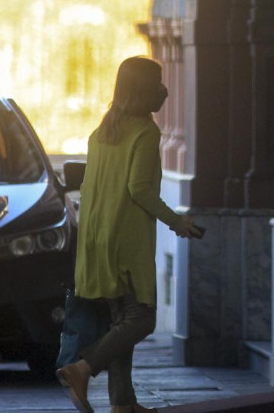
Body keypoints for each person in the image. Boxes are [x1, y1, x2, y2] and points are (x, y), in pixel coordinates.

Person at [56, 57, 201, 413]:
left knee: (120, 324)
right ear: (144, 90)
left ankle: (124, 404)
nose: (164, 91)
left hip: (97, 241)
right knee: (140, 319)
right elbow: (140, 190)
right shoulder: (145, 132)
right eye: (159, 83)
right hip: (125, 245)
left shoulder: (103, 130)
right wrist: (176, 221)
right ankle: (82, 368)